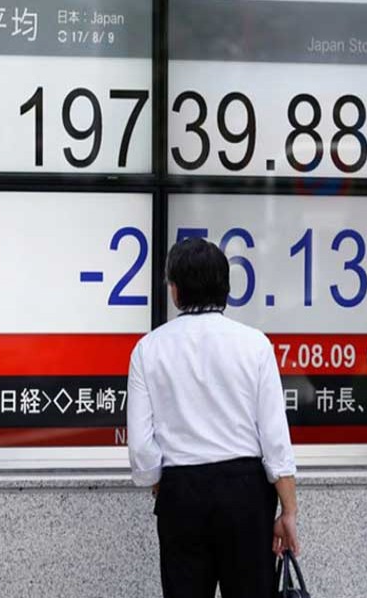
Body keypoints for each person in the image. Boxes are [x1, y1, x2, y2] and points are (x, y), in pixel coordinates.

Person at [127, 237, 300, 598]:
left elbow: (142, 446)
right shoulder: (255, 344)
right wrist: (289, 510)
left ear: (174, 291)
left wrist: (160, 482)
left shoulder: (149, 349)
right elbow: (274, 438)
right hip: (246, 493)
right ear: (227, 288)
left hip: (181, 493)